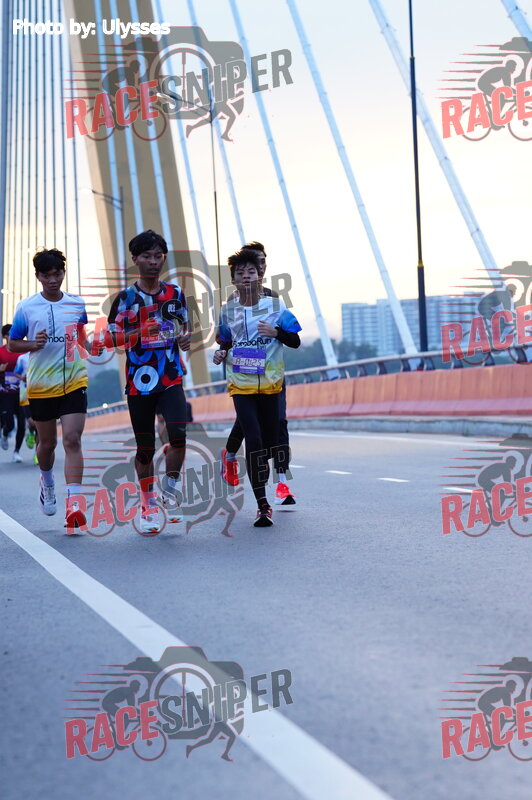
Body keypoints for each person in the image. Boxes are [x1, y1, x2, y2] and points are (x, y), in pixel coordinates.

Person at [107, 229, 190, 534]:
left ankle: (170, 488)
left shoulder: (175, 294)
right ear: (135, 259)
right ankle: (148, 504)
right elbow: (111, 339)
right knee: (145, 447)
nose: (154, 261)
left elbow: (184, 327)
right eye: (147, 256)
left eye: (158, 256)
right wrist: (140, 332)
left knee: (178, 435)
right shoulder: (125, 299)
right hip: (139, 382)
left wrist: (184, 338)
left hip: (170, 378)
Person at [214, 249, 301, 527]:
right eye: (240, 273)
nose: (246, 277)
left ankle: (275, 478)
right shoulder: (227, 310)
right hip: (241, 384)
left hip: (272, 385)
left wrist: (276, 333)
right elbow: (224, 341)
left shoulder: (276, 306)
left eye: (251, 272)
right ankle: (263, 505)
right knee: (253, 438)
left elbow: (295, 341)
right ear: (233, 280)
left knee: (269, 440)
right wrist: (221, 352)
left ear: (260, 275)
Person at [8, 248, 89, 530]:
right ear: (38, 276)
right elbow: (12, 344)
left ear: (63, 273)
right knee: (48, 444)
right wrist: (34, 344)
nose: (53, 280)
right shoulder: (27, 307)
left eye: (57, 274)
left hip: (74, 380)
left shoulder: (77, 304)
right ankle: (48, 482)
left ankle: (74, 504)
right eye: (47, 275)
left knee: (72, 440)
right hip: (42, 384)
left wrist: (91, 346)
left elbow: (80, 334)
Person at [0, 323, 25, 461]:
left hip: (21, 393)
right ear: (5, 336)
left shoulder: (22, 353)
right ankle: (4, 434)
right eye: (10, 334)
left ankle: (16, 452)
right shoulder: (1, 352)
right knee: (9, 424)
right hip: (5, 395)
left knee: (22, 423)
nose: (14, 336)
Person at [13, 351, 39, 465]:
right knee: (32, 423)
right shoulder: (22, 358)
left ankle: (37, 454)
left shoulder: (42, 355)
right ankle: (31, 433)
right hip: (25, 393)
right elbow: (16, 372)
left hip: (41, 392)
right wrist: (22, 377)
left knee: (40, 424)